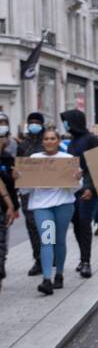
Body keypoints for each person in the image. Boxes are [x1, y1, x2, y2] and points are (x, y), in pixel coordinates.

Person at [20, 127, 77, 295]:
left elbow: (75, 189)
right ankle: (46, 279)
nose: (50, 141)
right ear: (42, 141)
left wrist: (77, 179)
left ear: (58, 141)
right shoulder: (34, 159)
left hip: (63, 205)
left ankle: (59, 274)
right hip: (42, 206)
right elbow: (25, 189)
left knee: (59, 240)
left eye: (53, 138)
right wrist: (20, 178)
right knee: (47, 240)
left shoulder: (67, 159)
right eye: (46, 139)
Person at [62, 109, 98, 279]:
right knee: (77, 224)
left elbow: (97, 165)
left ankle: (86, 262)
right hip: (73, 191)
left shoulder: (91, 139)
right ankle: (82, 258)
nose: (65, 124)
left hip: (87, 190)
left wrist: (90, 188)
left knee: (84, 224)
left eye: (67, 121)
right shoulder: (73, 141)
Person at [17, 113, 46, 276]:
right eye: (31, 122)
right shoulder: (22, 145)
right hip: (28, 192)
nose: (33, 125)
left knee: (47, 225)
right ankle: (39, 260)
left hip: (47, 191)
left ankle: (51, 254)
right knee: (32, 226)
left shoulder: (47, 142)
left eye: (37, 122)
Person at [0, 112, 20, 290]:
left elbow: (11, 184)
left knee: (2, 242)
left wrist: (13, 205)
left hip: (3, 206)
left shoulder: (10, 152)